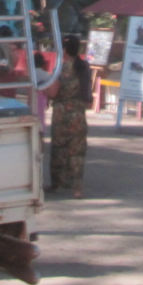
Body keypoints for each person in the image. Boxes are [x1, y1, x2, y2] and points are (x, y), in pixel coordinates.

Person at [45, 35, 89, 198]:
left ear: (64, 50)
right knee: (77, 152)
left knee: (59, 150)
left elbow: (53, 92)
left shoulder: (61, 68)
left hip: (61, 114)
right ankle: (77, 188)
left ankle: (56, 183)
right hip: (78, 114)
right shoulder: (83, 67)